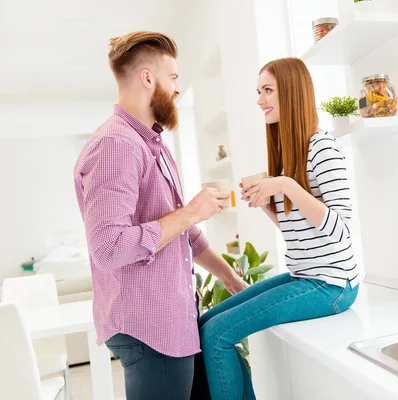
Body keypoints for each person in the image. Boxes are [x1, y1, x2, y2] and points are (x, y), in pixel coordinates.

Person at [73, 31, 247, 400]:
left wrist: (230, 278)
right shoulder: (116, 145)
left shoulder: (152, 145)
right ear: (147, 79)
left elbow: (183, 233)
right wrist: (190, 213)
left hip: (172, 326)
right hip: (149, 329)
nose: (178, 90)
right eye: (174, 78)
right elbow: (109, 247)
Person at [196, 57, 361, 400]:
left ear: (292, 92)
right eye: (259, 91)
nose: (260, 100)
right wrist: (267, 204)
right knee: (206, 323)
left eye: (267, 90)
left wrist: (285, 185)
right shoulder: (289, 154)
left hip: (332, 285)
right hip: (305, 276)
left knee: (217, 335)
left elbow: (341, 230)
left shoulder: (322, 148)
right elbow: (299, 227)